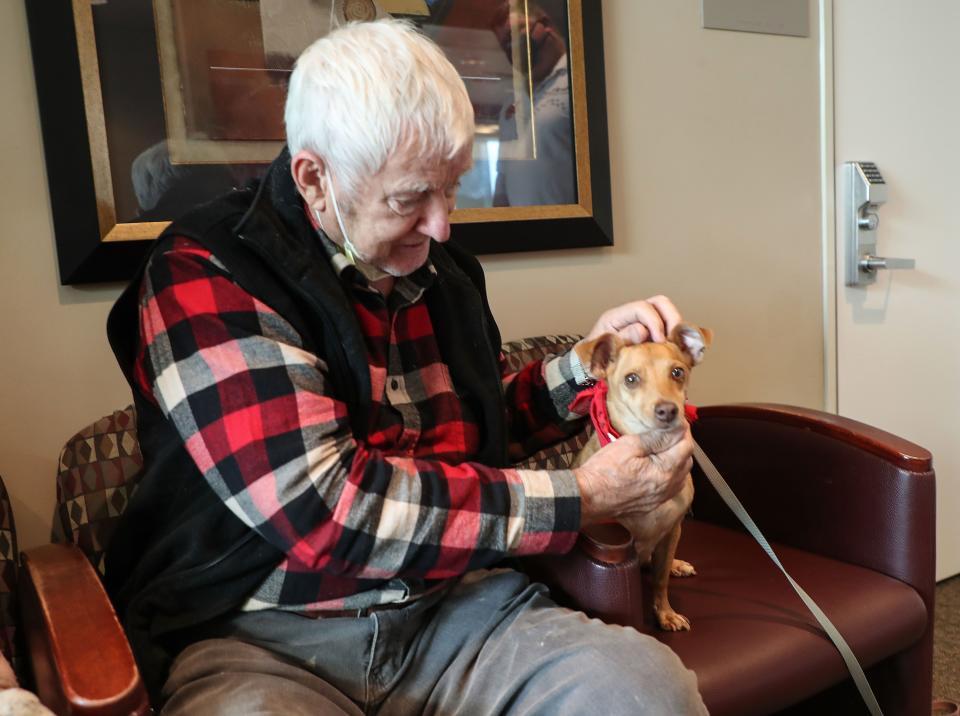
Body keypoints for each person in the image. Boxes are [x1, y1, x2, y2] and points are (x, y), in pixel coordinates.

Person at [106, 18, 707, 715]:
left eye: (451, 189)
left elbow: (475, 437)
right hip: (263, 633)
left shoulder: (441, 271)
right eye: (410, 197)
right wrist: (583, 496)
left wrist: (584, 370)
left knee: (649, 695)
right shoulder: (205, 275)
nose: (442, 226)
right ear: (314, 179)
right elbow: (327, 509)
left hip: (457, 610)